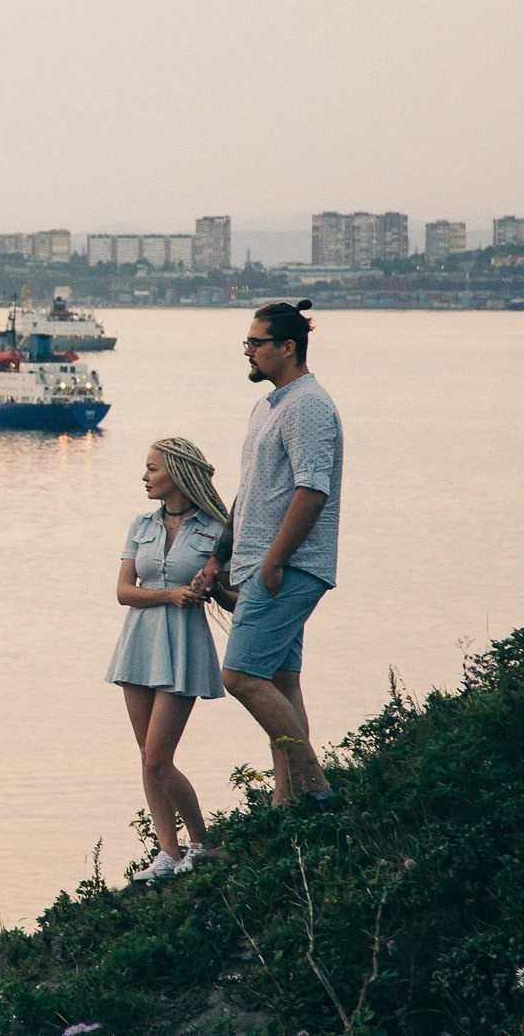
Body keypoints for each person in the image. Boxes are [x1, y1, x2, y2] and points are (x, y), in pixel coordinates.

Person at [216, 299, 343, 809]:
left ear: (287, 347)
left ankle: (317, 790)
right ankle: (285, 806)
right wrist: (219, 557)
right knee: (281, 684)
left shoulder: (308, 405)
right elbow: (247, 495)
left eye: (255, 342)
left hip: (287, 568)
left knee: (241, 675)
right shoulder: (270, 404)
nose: (247, 351)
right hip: (260, 566)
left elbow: (311, 490)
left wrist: (271, 562)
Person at [106, 437, 232, 881]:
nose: (145, 476)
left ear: (176, 474)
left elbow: (236, 598)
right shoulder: (140, 525)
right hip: (138, 644)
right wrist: (171, 594)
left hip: (184, 647)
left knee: (159, 756)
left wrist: (212, 587)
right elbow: (124, 592)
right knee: (146, 756)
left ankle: (201, 844)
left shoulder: (217, 531)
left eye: (152, 468)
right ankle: (168, 853)